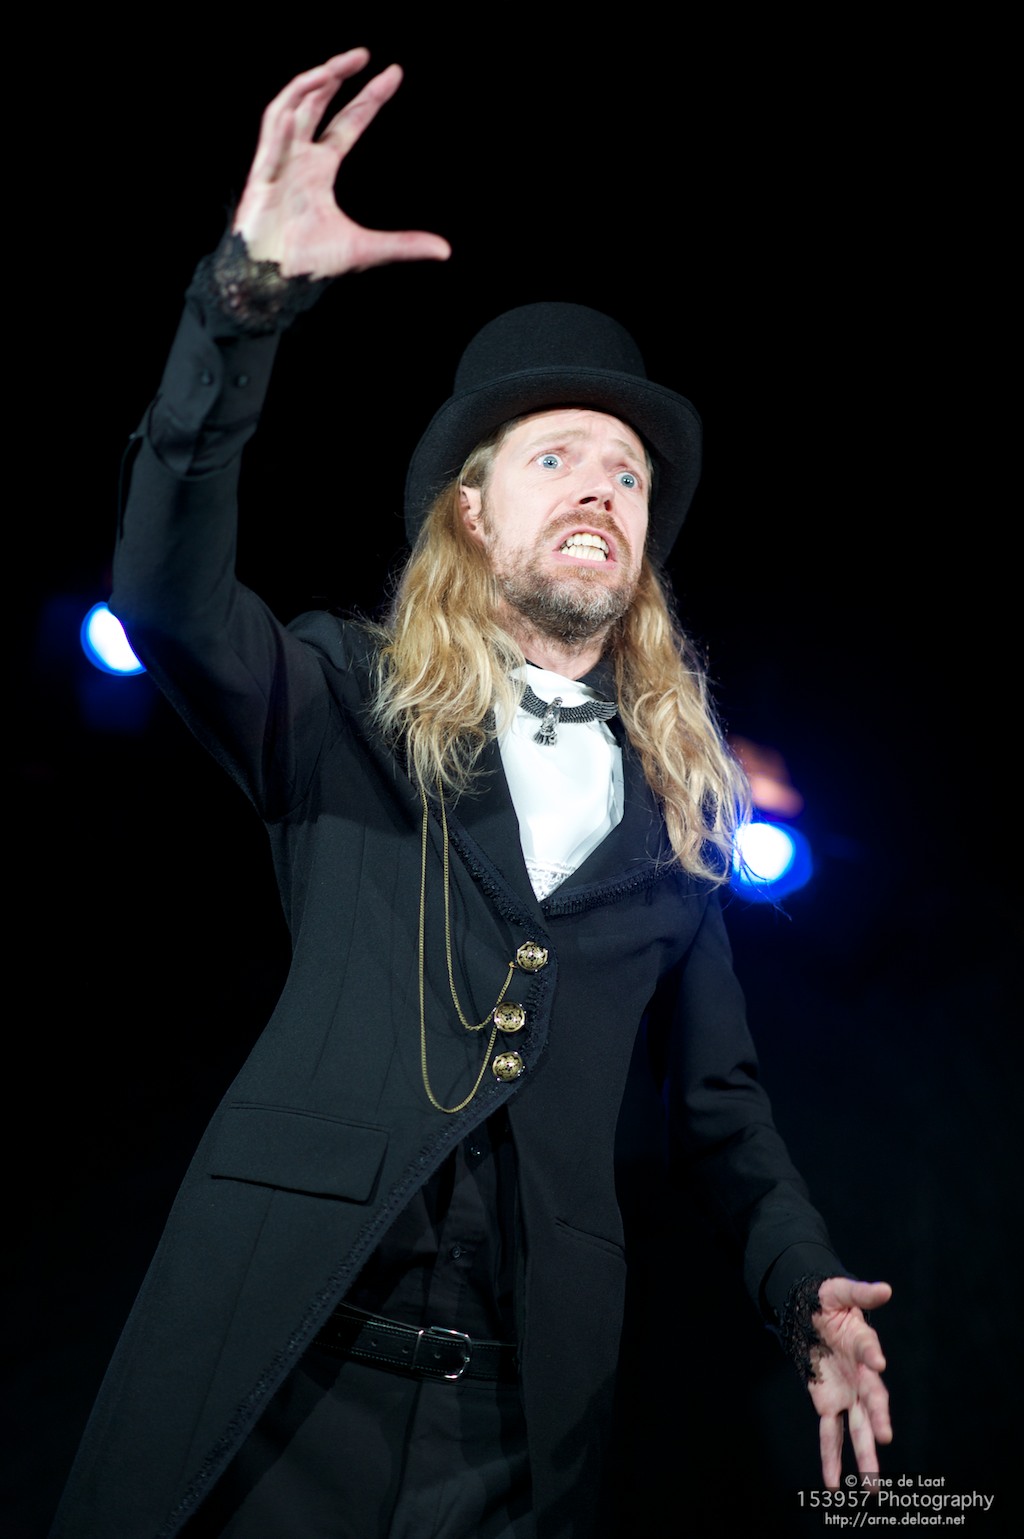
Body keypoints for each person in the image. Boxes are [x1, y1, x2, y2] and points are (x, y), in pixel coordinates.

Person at [51, 49, 892, 1539]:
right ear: (474, 510)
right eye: (557, 456)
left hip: (514, 1430)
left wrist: (803, 1286)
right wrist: (242, 300)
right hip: (282, 1373)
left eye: (628, 475)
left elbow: (722, 1115)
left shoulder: (677, 816)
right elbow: (166, 594)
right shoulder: (342, 702)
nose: (600, 489)